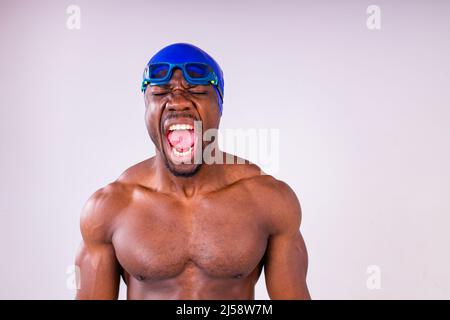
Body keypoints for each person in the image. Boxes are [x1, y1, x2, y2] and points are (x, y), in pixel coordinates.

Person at [75, 43, 310, 299]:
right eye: (161, 92)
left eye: (196, 91)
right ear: (146, 110)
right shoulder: (109, 208)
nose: (177, 101)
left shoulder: (269, 201)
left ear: (219, 107)